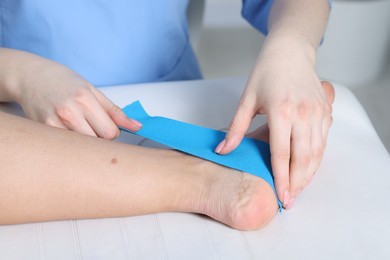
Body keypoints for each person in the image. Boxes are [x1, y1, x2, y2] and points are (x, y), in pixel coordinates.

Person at [0, 0, 333, 228]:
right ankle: (198, 174)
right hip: (23, 111)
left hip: (167, 95)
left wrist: (292, 47)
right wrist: (20, 74)